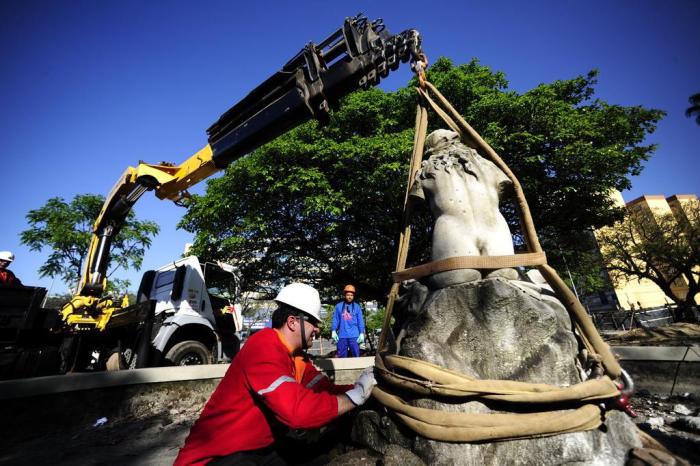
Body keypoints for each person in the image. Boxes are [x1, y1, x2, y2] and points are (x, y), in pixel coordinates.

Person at [174, 283, 376, 466]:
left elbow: (325, 390)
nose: (317, 328)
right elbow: (297, 412)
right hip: (215, 458)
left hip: (254, 449)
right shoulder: (263, 346)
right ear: (293, 322)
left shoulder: (296, 358)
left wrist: (366, 387)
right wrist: (355, 397)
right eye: (313, 321)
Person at [331, 284, 365, 358]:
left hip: (354, 336)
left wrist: (362, 333)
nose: (349, 297)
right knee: (342, 357)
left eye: (351, 295)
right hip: (342, 336)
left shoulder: (357, 307)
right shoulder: (338, 306)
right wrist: (333, 330)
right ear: (345, 295)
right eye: (348, 295)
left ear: (354, 296)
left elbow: (360, 321)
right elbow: (335, 319)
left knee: (356, 356)